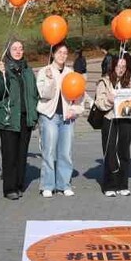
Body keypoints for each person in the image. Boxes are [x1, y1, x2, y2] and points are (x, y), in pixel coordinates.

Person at [0, 41, 39, 200]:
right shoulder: (4, 68)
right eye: (14, 49)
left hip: (25, 117)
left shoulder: (27, 70)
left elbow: (34, 93)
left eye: (20, 48)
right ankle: (9, 188)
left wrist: (35, 115)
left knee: (21, 154)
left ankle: (19, 185)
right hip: (9, 117)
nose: (18, 51)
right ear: (8, 51)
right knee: (9, 154)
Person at [94, 52, 131, 196]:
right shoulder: (105, 81)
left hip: (126, 119)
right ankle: (109, 185)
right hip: (110, 119)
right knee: (110, 151)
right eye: (118, 66)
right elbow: (99, 103)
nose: (120, 69)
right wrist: (109, 100)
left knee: (124, 151)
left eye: (123, 66)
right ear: (113, 66)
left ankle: (123, 183)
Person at [35, 42, 80, 196]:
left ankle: (64, 184)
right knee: (49, 151)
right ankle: (47, 185)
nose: (62, 55)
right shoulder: (44, 71)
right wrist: (49, 80)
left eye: (65, 53)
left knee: (65, 152)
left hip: (67, 117)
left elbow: (78, 96)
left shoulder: (71, 73)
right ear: (53, 54)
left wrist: (74, 110)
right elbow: (44, 95)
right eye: (59, 52)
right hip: (50, 116)